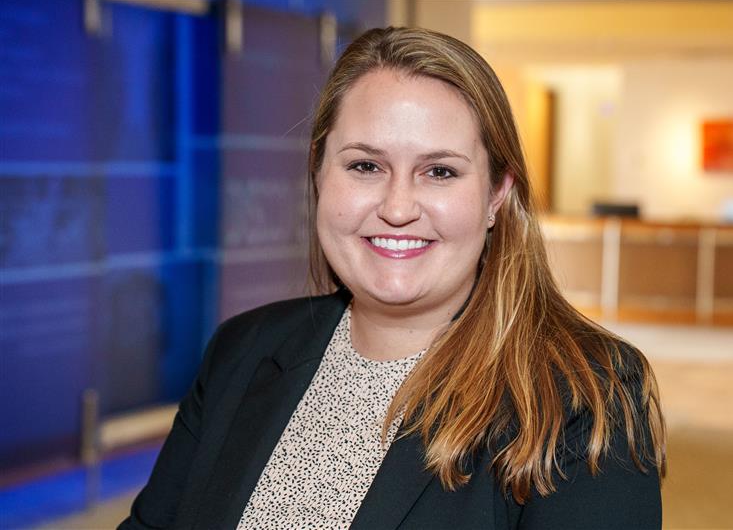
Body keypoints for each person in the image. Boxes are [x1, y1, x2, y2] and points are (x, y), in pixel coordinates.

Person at [120, 26, 666, 530]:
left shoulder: (584, 395)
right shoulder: (241, 350)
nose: (398, 207)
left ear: (497, 194)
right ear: (319, 174)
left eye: (440, 171)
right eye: (365, 166)